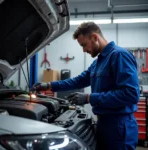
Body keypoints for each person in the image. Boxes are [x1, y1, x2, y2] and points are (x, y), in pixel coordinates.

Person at [32, 22, 140, 150]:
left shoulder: (119, 55)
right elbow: (78, 81)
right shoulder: (97, 63)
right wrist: (49, 85)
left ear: (94, 37)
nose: (83, 50)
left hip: (119, 126)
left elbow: (131, 94)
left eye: (84, 45)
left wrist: (89, 98)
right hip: (103, 124)